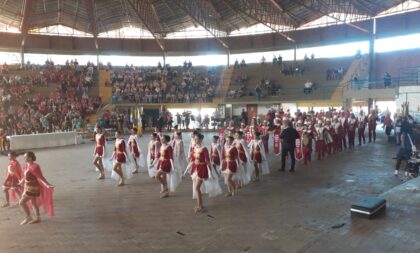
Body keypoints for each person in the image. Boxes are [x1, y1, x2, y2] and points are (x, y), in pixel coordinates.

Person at [188, 133, 221, 212]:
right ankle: (200, 204)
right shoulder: (194, 148)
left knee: (197, 188)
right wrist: (189, 168)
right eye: (194, 139)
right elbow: (192, 159)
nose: (195, 140)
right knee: (196, 188)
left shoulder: (204, 149)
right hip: (195, 169)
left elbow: (208, 161)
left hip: (202, 169)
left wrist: (209, 172)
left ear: (201, 139)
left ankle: (200, 206)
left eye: (196, 139)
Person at [19, 151, 54, 225]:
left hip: (33, 188)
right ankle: (37, 218)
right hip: (28, 187)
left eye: (25, 157)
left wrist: (47, 185)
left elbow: (40, 177)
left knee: (21, 202)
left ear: (30, 158)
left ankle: (29, 217)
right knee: (33, 202)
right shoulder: (26, 165)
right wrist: (21, 181)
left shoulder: (35, 167)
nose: (24, 158)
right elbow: (25, 176)